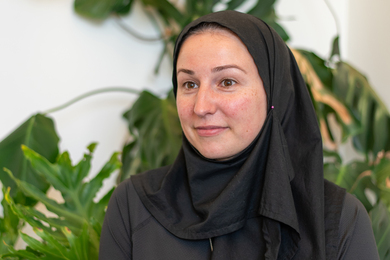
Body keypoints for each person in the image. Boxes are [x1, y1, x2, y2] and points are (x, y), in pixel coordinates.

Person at [99, 11, 379, 259]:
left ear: (273, 94)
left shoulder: (340, 220)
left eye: (227, 82)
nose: (201, 106)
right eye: (189, 83)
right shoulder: (133, 205)